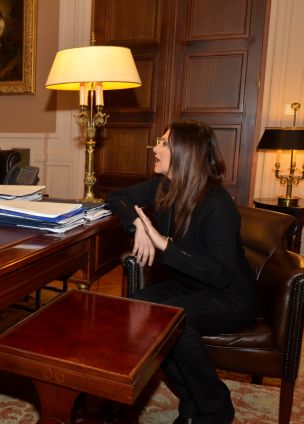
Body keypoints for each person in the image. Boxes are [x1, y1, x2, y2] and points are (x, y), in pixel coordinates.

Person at [106, 121, 256, 424]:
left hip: (230, 295)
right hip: (189, 287)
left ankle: (214, 408)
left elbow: (221, 274)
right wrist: (137, 225)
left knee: (173, 321)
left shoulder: (217, 202)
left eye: (163, 143)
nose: (155, 148)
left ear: (185, 152)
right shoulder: (164, 186)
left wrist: (164, 244)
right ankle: (192, 403)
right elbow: (117, 197)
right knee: (136, 310)